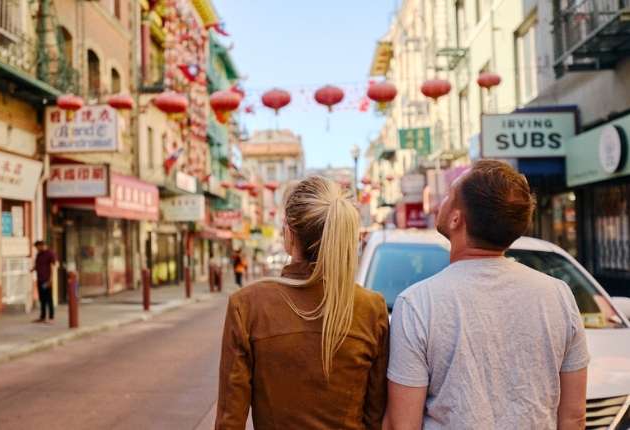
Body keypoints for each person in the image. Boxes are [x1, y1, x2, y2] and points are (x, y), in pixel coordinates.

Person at [384, 160, 589, 429]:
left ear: (457, 218)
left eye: (448, 196)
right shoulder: (558, 296)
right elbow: (573, 418)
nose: (439, 203)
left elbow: (403, 425)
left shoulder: (417, 304)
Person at [216, 176, 389, 429]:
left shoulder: (248, 306)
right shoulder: (371, 309)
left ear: (289, 232)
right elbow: (376, 417)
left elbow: (230, 421)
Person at [32, 240, 57, 323]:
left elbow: (53, 266)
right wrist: (33, 269)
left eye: (37, 247)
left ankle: (51, 317)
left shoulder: (50, 253)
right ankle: (42, 317)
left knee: (49, 299)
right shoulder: (39, 254)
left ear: (42, 245)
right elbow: (38, 265)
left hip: (47, 280)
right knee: (42, 299)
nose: (37, 249)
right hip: (40, 279)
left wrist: (50, 280)